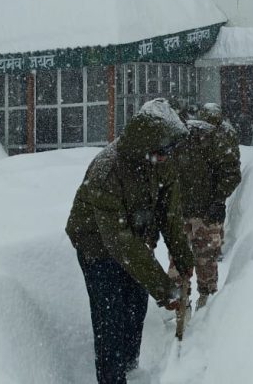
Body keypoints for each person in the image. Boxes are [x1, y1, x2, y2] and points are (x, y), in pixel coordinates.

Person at [66, 98, 195, 384]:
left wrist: (183, 258)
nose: (167, 156)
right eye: (162, 151)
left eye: (169, 151)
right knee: (110, 319)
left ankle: (130, 370)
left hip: (132, 239)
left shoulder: (160, 162)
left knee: (135, 307)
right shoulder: (107, 170)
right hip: (97, 247)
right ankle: (112, 379)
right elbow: (119, 242)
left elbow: (170, 215)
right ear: (146, 145)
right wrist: (165, 290)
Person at [169, 102, 242, 308]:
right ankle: (180, 304)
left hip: (206, 212)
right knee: (181, 260)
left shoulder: (216, 138)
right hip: (183, 211)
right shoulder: (176, 140)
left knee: (206, 260)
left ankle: (206, 305)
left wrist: (218, 200)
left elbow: (231, 172)